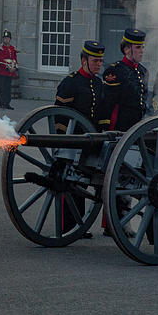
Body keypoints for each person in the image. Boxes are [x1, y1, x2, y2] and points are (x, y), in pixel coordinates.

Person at [54, 41, 109, 237]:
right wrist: (63, 143)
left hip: (92, 142)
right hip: (73, 141)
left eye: (101, 61)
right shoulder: (71, 83)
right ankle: (67, 227)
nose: (99, 64)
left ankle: (79, 225)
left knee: (84, 183)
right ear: (84, 60)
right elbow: (59, 117)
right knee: (70, 185)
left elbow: (102, 113)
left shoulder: (98, 83)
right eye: (95, 61)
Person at [102, 28, 149, 132]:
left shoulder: (143, 71)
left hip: (138, 127)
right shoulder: (114, 71)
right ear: (127, 49)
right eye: (138, 47)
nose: (142, 51)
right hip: (120, 127)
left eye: (142, 47)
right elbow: (108, 104)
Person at [0, 29, 18, 110]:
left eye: (8, 38)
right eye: (5, 38)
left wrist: (14, 67)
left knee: (8, 88)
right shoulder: (0, 48)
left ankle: (7, 103)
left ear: (10, 39)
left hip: (10, 71)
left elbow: (14, 58)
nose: (6, 39)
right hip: (3, 70)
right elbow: (0, 59)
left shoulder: (12, 48)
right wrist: (8, 67)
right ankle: (1, 103)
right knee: (2, 87)